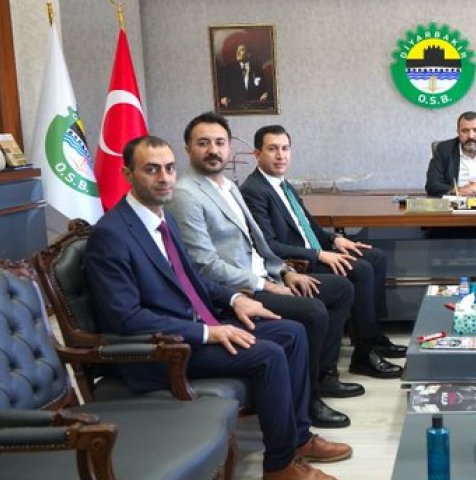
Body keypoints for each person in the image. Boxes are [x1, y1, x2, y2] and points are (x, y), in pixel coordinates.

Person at [84, 135, 350, 480]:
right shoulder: (112, 235)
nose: (164, 178)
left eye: (169, 169)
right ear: (127, 174)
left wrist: (236, 299)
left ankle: (298, 439)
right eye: (151, 170)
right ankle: (279, 467)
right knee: (268, 354)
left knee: (293, 332)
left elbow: (192, 279)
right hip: (166, 348)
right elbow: (125, 318)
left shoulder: (163, 219)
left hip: (200, 322)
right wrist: (207, 332)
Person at [167, 113, 392, 430]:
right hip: (238, 290)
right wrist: (266, 284)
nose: (213, 150)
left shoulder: (228, 187)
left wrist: (285, 272)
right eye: (203, 143)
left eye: (219, 142)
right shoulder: (186, 194)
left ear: (229, 146)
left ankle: (324, 375)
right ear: (188, 148)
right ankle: (309, 399)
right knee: (313, 311)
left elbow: (259, 242)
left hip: (270, 274)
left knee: (341, 289)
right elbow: (205, 264)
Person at [240, 124, 408, 373]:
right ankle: (363, 356)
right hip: (296, 262)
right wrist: (320, 254)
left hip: (313, 251)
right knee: (360, 269)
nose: (280, 155)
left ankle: (372, 336)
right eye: (273, 149)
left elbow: (307, 226)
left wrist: (335, 240)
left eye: (285, 148)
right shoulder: (254, 190)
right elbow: (269, 245)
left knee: (375, 257)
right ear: (257, 154)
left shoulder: (283, 184)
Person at [218, 42, 272, 110]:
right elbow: (222, 90)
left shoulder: (257, 69)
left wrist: (265, 94)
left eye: (241, 50)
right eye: (237, 51)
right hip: (235, 107)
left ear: (249, 54)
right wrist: (223, 98)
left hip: (254, 106)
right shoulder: (229, 69)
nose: (237, 53)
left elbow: (264, 87)